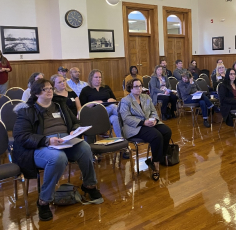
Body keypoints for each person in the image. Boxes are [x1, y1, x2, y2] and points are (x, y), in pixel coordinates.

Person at [13, 79, 103, 221]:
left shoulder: (60, 105)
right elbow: (21, 136)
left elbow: (75, 122)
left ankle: (89, 185)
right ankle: (44, 201)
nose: (49, 91)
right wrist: (47, 140)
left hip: (65, 141)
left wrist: (74, 130)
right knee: (58, 158)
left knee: (85, 147)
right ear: (36, 93)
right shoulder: (27, 111)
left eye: (50, 88)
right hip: (41, 146)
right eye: (45, 89)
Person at [119, 78, 172, 181]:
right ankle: (155, 165)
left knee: (167, 131)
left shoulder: (146, 97)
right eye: (136, 86)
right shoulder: (125, 100)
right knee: (156, 136)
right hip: (134, 127)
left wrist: (155, 120)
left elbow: (153, 111)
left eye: (140, 86)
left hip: (149, 123)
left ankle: (157, 157)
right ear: (130, 88)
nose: (139, 89)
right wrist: (143, 122)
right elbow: (126, 118)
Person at [79, 69, 121, 137]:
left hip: (108, 110)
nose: (98, 79)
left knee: (114, 118)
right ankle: (126, 118)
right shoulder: (86, 90)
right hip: (94, 113)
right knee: (113, 107)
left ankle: (122, 140)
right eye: (96, 77)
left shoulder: (106, 88)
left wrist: (111, 100)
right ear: (91, 78)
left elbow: (114, 100)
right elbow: (83, 107)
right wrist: (94, 102)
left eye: (100, 77)